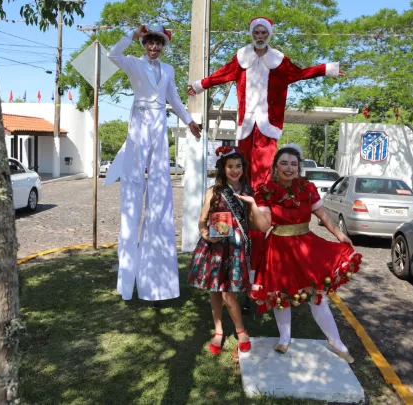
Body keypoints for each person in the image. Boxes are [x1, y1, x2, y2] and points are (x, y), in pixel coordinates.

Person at [187, 16, 346, 281]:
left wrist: (325, 69)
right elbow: (221, 75)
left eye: (263, 31)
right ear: (252, 34)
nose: (260, 35)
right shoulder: (241, 58)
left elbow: (299, 74)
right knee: (238, 172)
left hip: (268, 126)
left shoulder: (279, 61)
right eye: (256, 31)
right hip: (246, 125)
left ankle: (254, 258)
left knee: (261, 184)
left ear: (268, 34)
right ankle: (230, 238)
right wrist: (198, 86)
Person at [237, 144, 362, 362]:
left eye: (293, 164)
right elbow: (264, 226)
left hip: (306, 247)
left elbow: (323, 215)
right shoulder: (265, 191)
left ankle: (336, 341)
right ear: (275, 166)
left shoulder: (308, 188)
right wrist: (253, 207)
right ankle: (285, 338)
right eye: (284, 163)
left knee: (317, 296)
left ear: (299, 167)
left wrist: (340, 235)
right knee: (280, 297)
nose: (289, 168)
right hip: (277, 249)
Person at [105, 24, 202, 305]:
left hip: (160, 124)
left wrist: (189, 121)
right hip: (139, 121)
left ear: (163, 45)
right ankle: (127, 281)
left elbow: (173, 98)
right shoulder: (134, 64)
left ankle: (157, 281)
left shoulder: (168, 69)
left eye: (158, 43)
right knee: (134, 187)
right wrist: (131, 36)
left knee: (160, 190)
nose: (154, 47)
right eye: (149, 42)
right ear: (144, 43)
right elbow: (112, 54)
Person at [187, 146, 253, 354]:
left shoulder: (248, 191)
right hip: (215, 248)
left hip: (235, 248)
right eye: (230, 166)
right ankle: (219, 330)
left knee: (228, 293)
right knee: (216, 290)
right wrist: (206, 234)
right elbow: (202, 219)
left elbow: (251, 222)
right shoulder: (213, 192)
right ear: (222, 169)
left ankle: (240, 330)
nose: (235, 170)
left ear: (243, 167)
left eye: (238, 166)